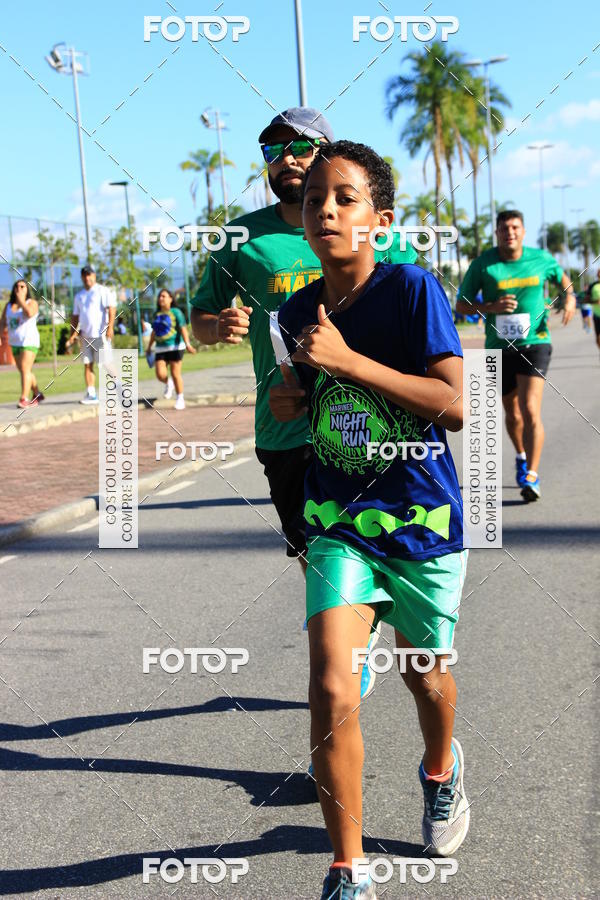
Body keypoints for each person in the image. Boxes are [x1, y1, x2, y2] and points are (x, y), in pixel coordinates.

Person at [270, 141, 469, 899]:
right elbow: (311, 406)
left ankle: (440, 769)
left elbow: (453, 404)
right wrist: (293, 403)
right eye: (315, 196)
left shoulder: (412, 289)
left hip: (420, 519)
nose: (325, 208)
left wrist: (349, 362)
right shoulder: (295, 311)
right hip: (338, 521)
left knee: (426, 677)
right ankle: (347, 870)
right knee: (332, 684)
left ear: (379, 221)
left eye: (345, 197)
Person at [191, 107, 417, 701]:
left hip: (365, 422)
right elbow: (198, 325)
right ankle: (346, 643)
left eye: (299, 146)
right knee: (313, 551)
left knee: (386, 549)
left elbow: (405, 308)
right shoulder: (240, 239)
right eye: (273, 149)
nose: (286, 158)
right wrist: (221, 325)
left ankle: (357, 644)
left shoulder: (367, 230)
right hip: (286, 427)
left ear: (324, 153)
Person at [456, 210, 576, 502]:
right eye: (504, 228)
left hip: (535, 343)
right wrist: (490, 307)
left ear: (523, 231)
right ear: (496, 233)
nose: (509, 232)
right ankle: (521, 456)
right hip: (499, 347)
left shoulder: (541, 259)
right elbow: (461, 305)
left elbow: (565, 281)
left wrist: (570, 298)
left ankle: (532, 477)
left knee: (530, 409)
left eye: (515, 227)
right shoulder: (484, 264)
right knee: (513, 414)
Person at [65, 265, 117, 404]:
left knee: (106, 363)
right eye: (85, 275)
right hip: (85, 336)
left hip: (100, 335)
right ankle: (91, 393)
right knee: (88, 364)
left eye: (90, 274)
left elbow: (111, 308)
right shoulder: (79, 296)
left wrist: (110, 327)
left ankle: (120, 388)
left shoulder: (102, 291)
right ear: (82, 277)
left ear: (94, 276)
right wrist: (72, 335)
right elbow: (75, 317)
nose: (87, 277)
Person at [147, 288, 196, 410]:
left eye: (164, 296)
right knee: (160, 374)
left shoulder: (176, 312)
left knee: (175, 373)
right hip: (160, 348)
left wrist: (188, 344)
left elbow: (183, 328)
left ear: (171, 299)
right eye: (160, 296)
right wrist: (149, 347)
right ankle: (168, 383)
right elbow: (154, 331)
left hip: (175, 347)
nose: (161, 298)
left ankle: (180, 398)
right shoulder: (156, 314)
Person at [0, 279, 44, 408]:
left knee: (25, 368)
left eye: (22, 286)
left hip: (29, 341)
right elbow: (2, 322)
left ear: (27, 290)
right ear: (14, 290)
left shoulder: (32, 303)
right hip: (15, 343)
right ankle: (37, 393)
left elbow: (29, 313)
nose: (19, 289)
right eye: (17, 287)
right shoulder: (8, 306)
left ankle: (24, 398)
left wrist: (21, 300)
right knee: (25, 370)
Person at [586, 269, 600, 354]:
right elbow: (586, 300)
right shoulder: (592, 286)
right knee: (598, 338)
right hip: (597, 315)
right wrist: (595, 302)